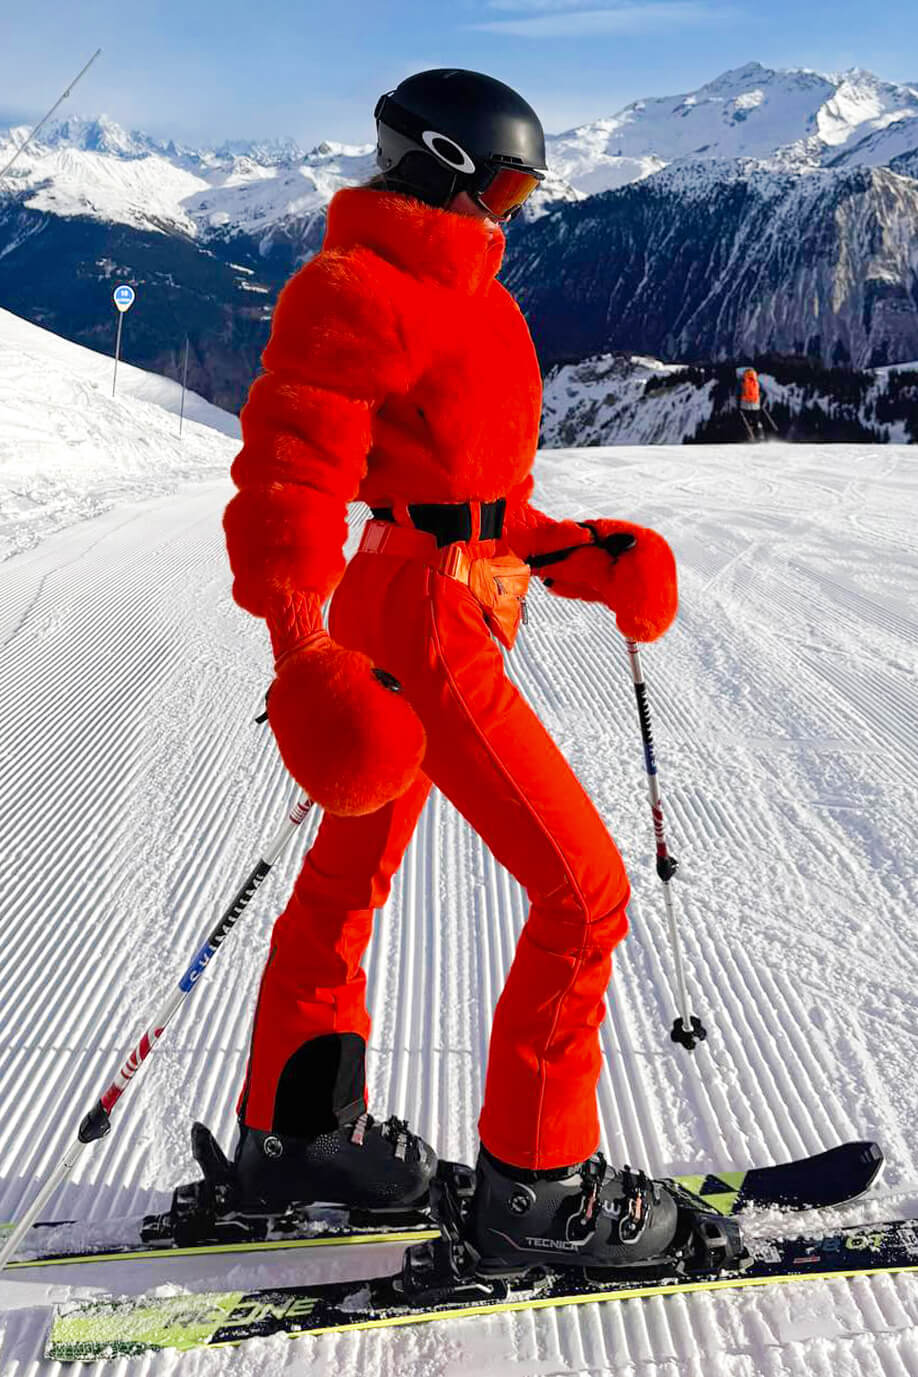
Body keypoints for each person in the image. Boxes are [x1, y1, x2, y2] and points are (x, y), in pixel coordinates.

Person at [221, 68, 682, 1273]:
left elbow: (486, 508)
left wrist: (588, 552)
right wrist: (299, 651)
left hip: (452, 599)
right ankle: (542, 1189)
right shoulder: (353, 288)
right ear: (445, 164)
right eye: (512, 186)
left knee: (349, 876)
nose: (519, 213)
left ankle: (300, 1134)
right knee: (584, 893)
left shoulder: (487, 307)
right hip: (414, 614)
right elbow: (287, 481)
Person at [739, 367, 765, 440]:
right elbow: (761, 393)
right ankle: (760, 435)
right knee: (756, 421)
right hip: (756, 405)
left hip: (745, 404)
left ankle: (749, 436)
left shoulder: (743, 382)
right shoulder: (757, 382)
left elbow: (739, 393)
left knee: (747, 421)